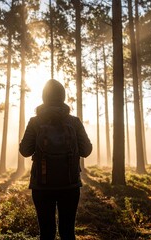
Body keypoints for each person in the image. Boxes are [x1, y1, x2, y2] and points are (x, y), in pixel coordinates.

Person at [19, 79, 92, 240]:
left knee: (46, 233)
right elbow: (86, 150)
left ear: (44, 97)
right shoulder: (74, 122)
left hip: (42, 187)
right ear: (63, 97)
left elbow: (25, 151)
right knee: (68, 232)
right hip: (70, 185)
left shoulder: (35, 122)